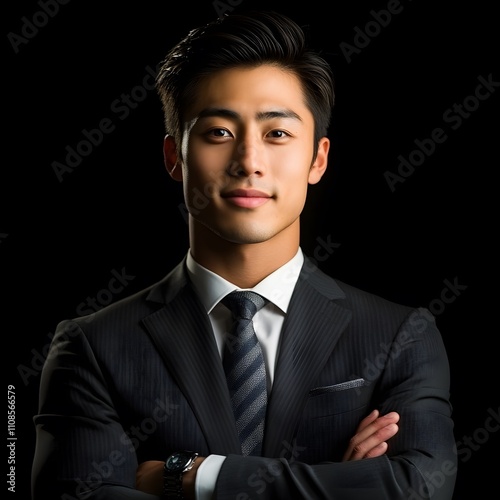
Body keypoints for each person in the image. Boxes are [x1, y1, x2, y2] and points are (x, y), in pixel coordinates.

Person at [31, 10, 457, 500]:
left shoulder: (400, 336)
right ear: (175, 157)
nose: (249, 161)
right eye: (218, 132)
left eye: (277, 134)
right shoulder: (92, 348)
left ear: (317, 159)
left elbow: (421, 488)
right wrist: (340, 487)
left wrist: (193, 476)